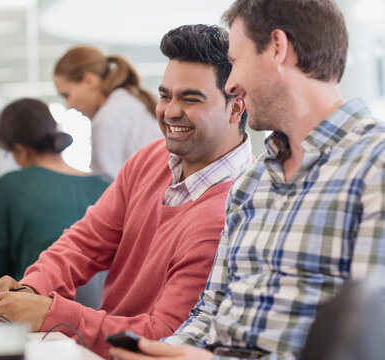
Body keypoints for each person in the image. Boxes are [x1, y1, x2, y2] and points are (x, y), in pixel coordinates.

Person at [110, 1, 385, 360]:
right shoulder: (250, 184)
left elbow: (365, 346)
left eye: (236, 61)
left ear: (276, 48)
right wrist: (160, 352)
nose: (233, 83)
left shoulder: (374, 167)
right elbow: (208, 314)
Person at [0, 24, 253, 358]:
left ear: (236, 107)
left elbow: (163, 338)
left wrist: (47, 312)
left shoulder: (232, 209)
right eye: (165, 95)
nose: (171, 111)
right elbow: (84, 243)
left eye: (190, 98)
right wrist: (31, 287)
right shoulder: (151, 159)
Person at [0, 98, 109, 289]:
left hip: (36, 307)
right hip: (97, 312)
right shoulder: (103, 185)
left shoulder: (11, 184)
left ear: (20, 150)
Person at [53, 45, 163, 180]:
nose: (68, 106)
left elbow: (107, 188)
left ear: (89, 81)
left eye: (66, 95)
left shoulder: (107, 120)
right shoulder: (132, 100)